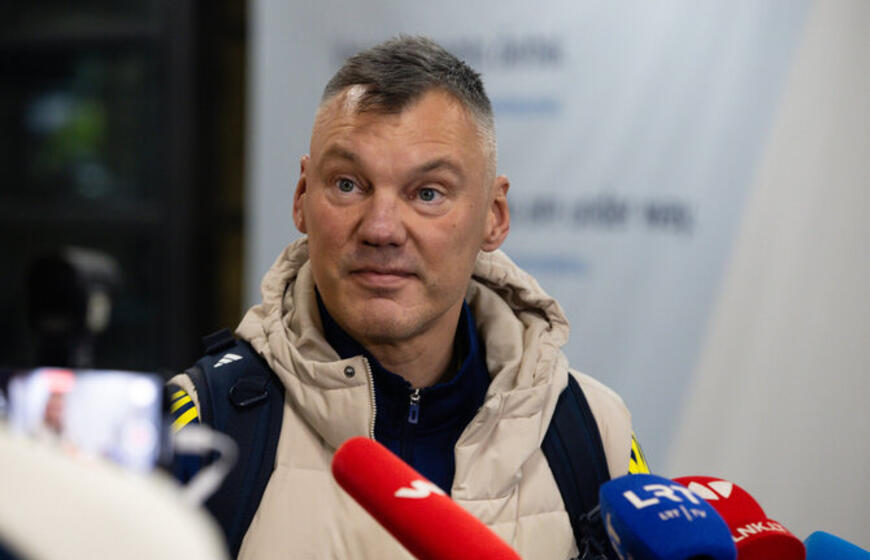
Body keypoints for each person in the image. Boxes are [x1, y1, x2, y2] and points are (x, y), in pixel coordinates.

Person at [169, 35, 648, 559]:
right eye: (348, 185)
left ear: (494, 216)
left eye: (428, 193)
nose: (381, 229)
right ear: (302, 197)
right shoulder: (200, 427)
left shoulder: (595, 430)